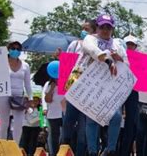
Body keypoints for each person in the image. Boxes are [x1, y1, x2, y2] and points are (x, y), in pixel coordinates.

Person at [80, 14, 127, 156]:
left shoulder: (117, 44)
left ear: (112, 29)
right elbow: (94, 51)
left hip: (111, 87)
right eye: (102, 27)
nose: (105, 30)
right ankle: (92, 151)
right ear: (97, 27)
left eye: (109, 27)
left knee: (116, 117)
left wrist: (120, 59)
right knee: (92, 119)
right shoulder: (90, 39)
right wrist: (108, 60)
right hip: (92, 85)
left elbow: (127, 64)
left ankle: (110, 150)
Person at [59, 20, 97, 156]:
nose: (84, 32)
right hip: (74, 86)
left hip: (88, 92)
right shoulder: (75, 45)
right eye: (83, 29)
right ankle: (63, 151)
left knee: (83, 131)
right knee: (68, 125)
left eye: (87, 29)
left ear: (94, 32)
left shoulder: (97, 47)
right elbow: (68, 68)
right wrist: (65, 93)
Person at [0, 41, 32, 144]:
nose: (15, 51)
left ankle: (15, 146)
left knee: (18, 123)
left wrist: (30, 98)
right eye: (13, 48)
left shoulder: (25, 65)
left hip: (18, 96)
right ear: (8, 49)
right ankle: (2, 144)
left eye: (18, 49)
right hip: (3, 94)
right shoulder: (1, 63)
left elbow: (27, 84)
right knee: (4, 122)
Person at [119, 35, 140, 156]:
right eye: (128, 44)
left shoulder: (139, 60)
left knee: (131, 123)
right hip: (117, 91)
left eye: (132, 44)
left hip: (133, 92)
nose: (130, 47)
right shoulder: (118, 55)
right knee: (114, 119)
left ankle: (125, 151)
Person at [44, 76, 63, 155]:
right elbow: (47, 100)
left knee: (64, 136)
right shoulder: (49, 85)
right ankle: (54, 153)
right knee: (54, 136)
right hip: (53, 115)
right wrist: (52, 88)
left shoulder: (67, 84)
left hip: (64, 114)